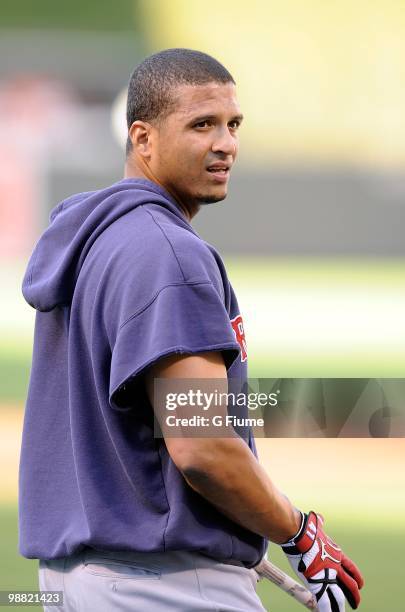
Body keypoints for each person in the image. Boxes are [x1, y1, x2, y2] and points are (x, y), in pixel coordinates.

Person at [19, 48, 363, 611]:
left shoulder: (95, 241)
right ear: (143, 138)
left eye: (233, 125)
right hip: (162, 586)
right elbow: (201, 446)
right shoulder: (167, 253)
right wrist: (301, 534)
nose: (225, 143)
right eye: (202, 124)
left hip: (77, 581)